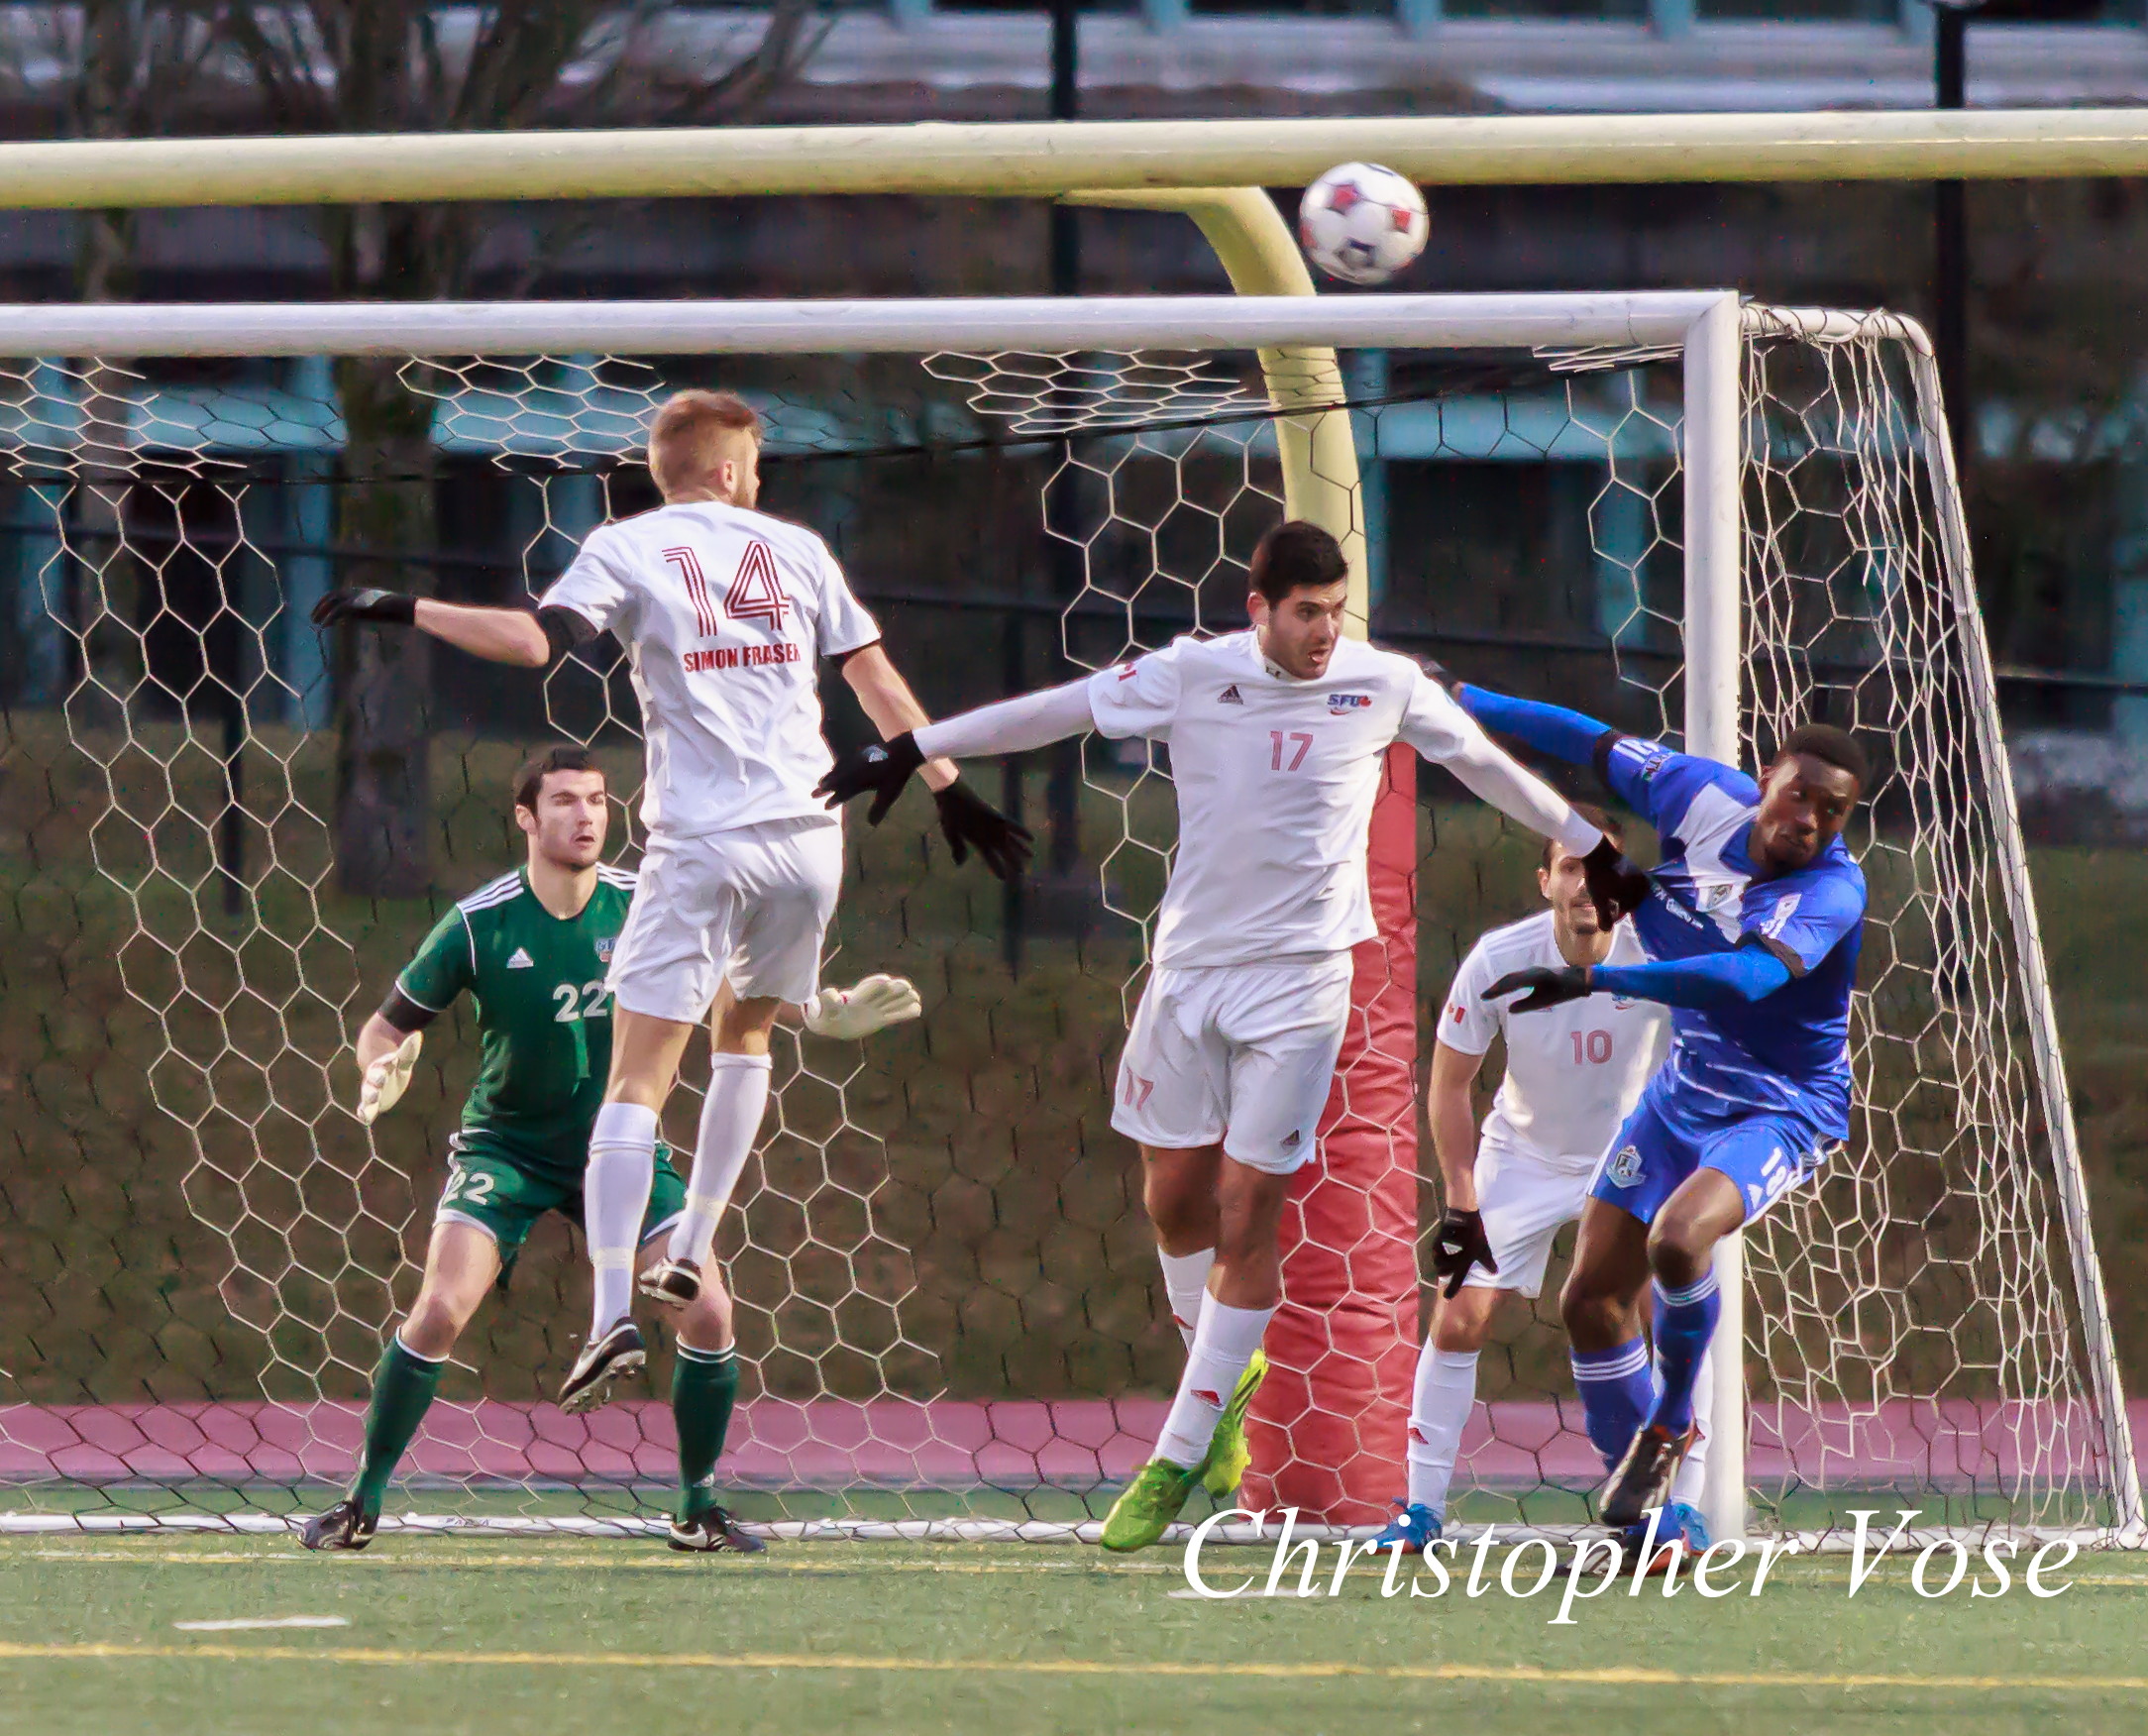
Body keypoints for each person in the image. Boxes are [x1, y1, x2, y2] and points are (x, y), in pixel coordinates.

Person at [815, 520, 1645, 1553]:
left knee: (1249, 1211)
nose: (1322, 632)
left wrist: (1583, 838)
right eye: (1305, 612)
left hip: (1300, 988)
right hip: (1188, 976)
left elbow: (1476, 760)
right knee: (1173, 1201)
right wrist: (915, 744)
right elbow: (1055, 711)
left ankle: (1180, 1446)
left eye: (1335, 611)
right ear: (1258, 609)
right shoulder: (1190, 674)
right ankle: (1222, 1370)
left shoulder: (1378, 682)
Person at [312, 389, 1028, 1417]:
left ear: (666, 468)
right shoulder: (799, 551)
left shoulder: (628, 545)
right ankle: (689, 1247)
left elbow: (529, 643)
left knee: (635, 1083)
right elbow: (876, 685)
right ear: (736, 470)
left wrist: (401, 607)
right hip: (806, 833)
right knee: (748, 1039)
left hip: (696, 841)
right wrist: (950, 786)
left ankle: (609, 1313)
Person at [296, 746, 921, 1554]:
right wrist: (379, 1063)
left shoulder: (643, 905)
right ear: (525, 817)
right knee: (441, 1309)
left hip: (622, 1149)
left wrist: (817, 1008)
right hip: (507, 1150)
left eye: (596, 799)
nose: (586, 814)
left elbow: (735, 987)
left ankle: (697, 1508)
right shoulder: (480, 923)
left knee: (708, 1308)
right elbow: (386, 1024)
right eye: (563, 800)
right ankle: (362, 1500)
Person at [1454, 684, 1869, 1530]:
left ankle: (1673, 1417)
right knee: (1588, 1302)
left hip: (1782, 1106)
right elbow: (1583, 733)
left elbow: (1746, 980)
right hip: (1683, 1093)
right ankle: (1652, 1528)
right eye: (1800, 797)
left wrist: (1596, 976)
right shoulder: (1699, 792)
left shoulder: (1832, 890)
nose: (1813, 822)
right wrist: (1460, 696)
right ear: (1766, 779)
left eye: (1834, 812)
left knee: (1678, 1239)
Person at [1360, 808, 1712, 1562]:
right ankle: (1420, 1510)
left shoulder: (1660, 955)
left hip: (1629, 1158)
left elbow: (1705, 1056)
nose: (1589, 886)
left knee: (1664, 1316)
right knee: (1458, 1317)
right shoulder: (1498, 959)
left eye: (1604, 868)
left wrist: (1685, 1153)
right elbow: (1450, 1085)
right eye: (1573, 868)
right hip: (1519, 1156)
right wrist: (1460, 1196)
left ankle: (1682, 1511)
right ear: (1546, 879)